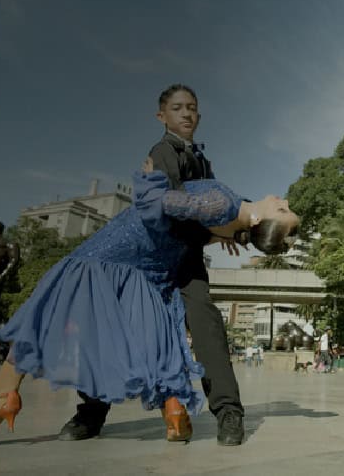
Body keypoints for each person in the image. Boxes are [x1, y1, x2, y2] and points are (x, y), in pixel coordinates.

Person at [0, 165, 300, 447]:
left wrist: (152, 184)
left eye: (282, 210)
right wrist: (229, 234)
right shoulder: (233, 218)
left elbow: (169, 206)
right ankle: (172, 404)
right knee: (147, 326)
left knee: (52, 308)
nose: (282, 200)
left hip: (121, 248)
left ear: (259, 220)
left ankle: (2, 395)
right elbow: (196, 224)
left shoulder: (221, 204)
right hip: (156, 262)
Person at [59, 84, 247, 446]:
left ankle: (229, 412)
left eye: (192, 107)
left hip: (187, 261)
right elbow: (173, 208)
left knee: (207, 327)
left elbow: (213, 204)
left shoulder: (202, 159)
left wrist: (228, 228)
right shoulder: (162, 151)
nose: (187, 113)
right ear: (162, 116)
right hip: (153, 258)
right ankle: (91, 412)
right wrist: (217, 227)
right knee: (118, 332)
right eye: (178, 108)